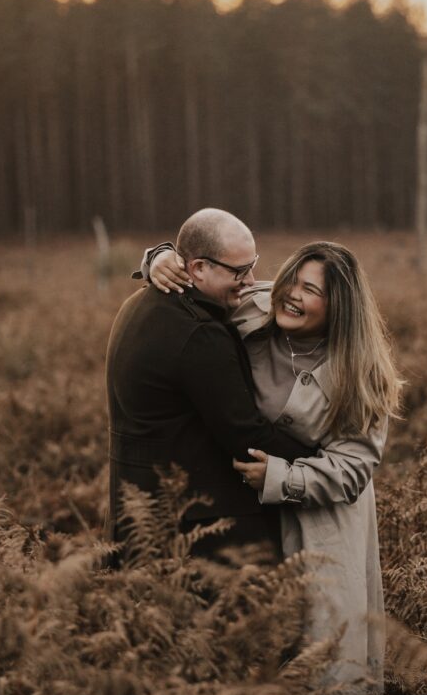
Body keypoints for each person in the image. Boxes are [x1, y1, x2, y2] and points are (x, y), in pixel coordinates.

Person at [144, 236, 403, 695]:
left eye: (311, 291)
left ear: (340, 310)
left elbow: (353, 470)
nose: (292, 295)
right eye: (292, 280)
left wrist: (281, 475)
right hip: (251, 518)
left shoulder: (361, 372)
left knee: (325, 651)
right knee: (259, 648)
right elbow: (202, 267)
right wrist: (158, 259)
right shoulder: (255, 307)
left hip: (323, 526)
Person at [106, 208, 313, 564]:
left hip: (138, 518)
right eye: (239, 271)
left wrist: (155, 256)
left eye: (253, 265)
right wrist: (324, 458)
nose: (250, 280)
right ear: (198, 268)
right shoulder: (200, 334)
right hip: (201, 531)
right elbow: (246, 436)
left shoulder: (137, 303)